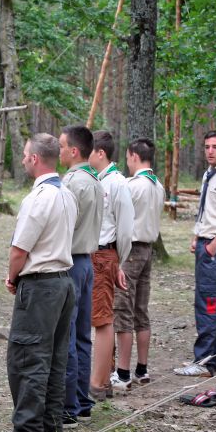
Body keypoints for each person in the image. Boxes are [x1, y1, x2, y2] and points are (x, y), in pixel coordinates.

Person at [0, 133, 78, 432]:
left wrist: (13, 278)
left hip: (41, 285)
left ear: (35, 159)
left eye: (26, 154)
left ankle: (28, 430)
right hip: (64, 283)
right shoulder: (67, 194)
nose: (24, 159)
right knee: (54, 358)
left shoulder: (39, 198)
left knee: (28, 357)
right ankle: (50, 427)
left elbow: (19, 250)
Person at [174, 130, 216, 378]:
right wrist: (197, 236)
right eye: (207, 147)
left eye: (215, 147)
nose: (210, 151)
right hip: (204, 243)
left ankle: (205, 361)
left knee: (210, 303)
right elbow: (207, 210)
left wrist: (214, 244)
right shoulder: (209, 175)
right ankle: (208, 359)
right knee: (205, 300)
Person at [59, 125, 104, 425]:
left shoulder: (72, 183)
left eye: (62, 146)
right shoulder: (96, 181)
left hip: (73, 262)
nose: (59, 150)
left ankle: (69, 406)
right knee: (83, 337)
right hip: (88, 262)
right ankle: (83, 401)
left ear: (74, 151)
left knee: (68, 336)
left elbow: (62, 225)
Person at [111, 138, 165, 390]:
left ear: (133, 156)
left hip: (131, 251)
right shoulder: (158, 186)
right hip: (147, 250)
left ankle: (122, 373)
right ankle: (142, 369)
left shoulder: (133, 186)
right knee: (141, 310)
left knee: (123, 309)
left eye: (127, 156)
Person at [88, 130, 134, 401]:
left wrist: (119, 261)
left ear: (101, 153)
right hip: (95, 256)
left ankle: (97, 384)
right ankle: (102, 380)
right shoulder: (97, 180)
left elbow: (125, 229)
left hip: (105, 255)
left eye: (89, 151)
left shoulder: (117, 183)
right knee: (98, 317)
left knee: (102, 320)